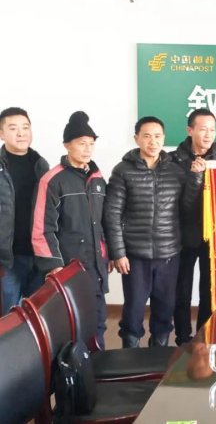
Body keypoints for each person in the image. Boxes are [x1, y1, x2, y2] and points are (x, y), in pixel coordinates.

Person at [103, 116, 204, 348]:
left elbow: (187, 207)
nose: (153, 141)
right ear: (136, 138)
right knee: (134, 310)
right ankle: (129, 356)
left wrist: (195, 178)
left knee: (164, 310)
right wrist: (118, 253)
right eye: (147, 136)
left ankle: (158, 355)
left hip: (169, 254)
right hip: (135, 256)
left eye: (157, 136)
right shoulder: (123, 171)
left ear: (164, 138)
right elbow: (112, 214)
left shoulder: (175, 170)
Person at [31, 111, 109, 347]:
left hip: (95, 265)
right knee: (70, 325)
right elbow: (41, 228)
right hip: (68, 266)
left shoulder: (97, 178)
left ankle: (98, 364)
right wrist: (54, 266)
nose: (87, 149)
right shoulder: (52, 180)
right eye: (82, 143)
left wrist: (107, 254)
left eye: (91, 143)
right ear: (67, 145)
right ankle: (72, 369)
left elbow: (103, 222)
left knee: (98, 321)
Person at [171, 108, 216, 345]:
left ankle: (204, 337)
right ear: (190, 130)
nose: (208, 134)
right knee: (182, 290)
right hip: (183, 234)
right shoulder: (174, 160)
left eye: (212, 129)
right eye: (203, 129)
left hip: (213, 235)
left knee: (209, 290)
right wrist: (195, 176)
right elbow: (182, 204)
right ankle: (183, 338)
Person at [0, 107, 48, 315]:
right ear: (1, 134)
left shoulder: (41, 165)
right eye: (13, 128)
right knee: (9, 317)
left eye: (25, 127)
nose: (21, 133)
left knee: (37, 316)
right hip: (8, 258)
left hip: (38, 255)